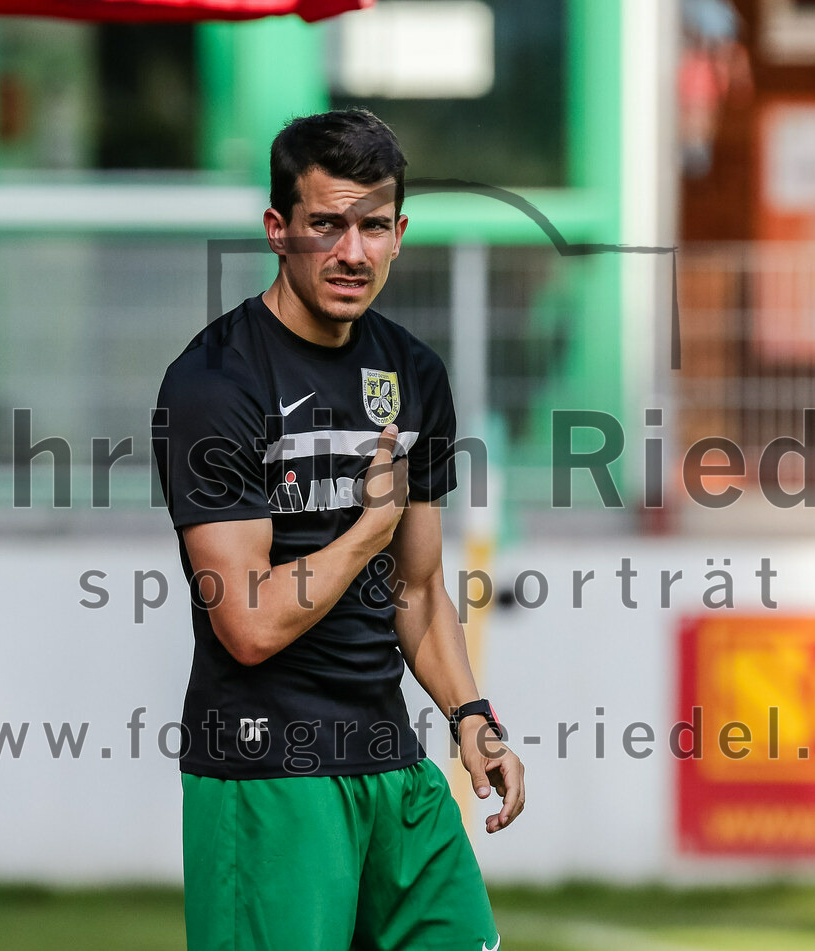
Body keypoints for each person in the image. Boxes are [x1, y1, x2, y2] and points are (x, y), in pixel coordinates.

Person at [152, 109, 524, 951]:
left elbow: (420, 587)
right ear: (278, 231)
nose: (350, 252)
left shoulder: (414, 372)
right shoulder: (214, 382)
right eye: (326, 225)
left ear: (399, 233)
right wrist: (369, 526)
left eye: (371, 226)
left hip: (391, 763)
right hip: (268, 772)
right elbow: (246, 624)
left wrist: (472, 715)